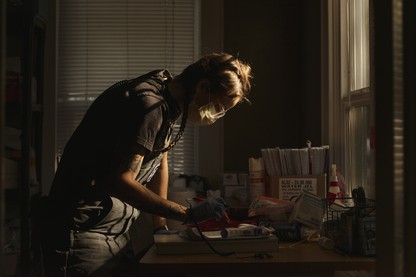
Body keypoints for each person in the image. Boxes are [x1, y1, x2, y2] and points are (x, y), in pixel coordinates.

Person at [41, 53, 252, 276]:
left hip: (114, 230)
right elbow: (121, 181)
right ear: (203, 85)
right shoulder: (148, 106)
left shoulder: (170, 99)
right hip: (82, 231)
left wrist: (159, 226)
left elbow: (160, 160)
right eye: (218, 107)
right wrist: (187, 214)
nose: (216, 115)